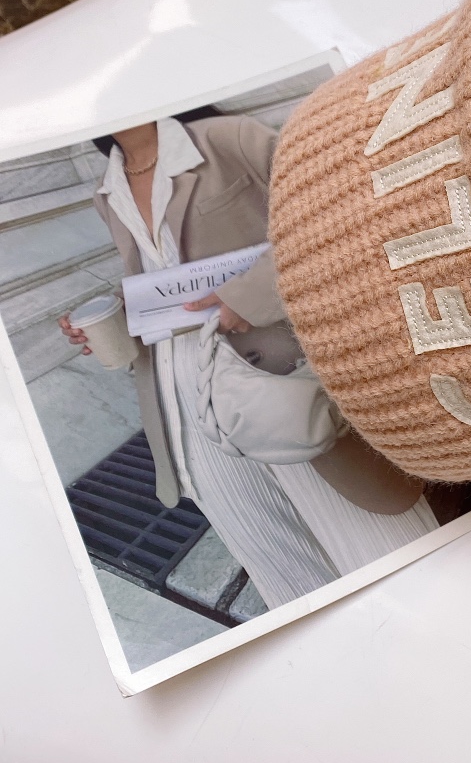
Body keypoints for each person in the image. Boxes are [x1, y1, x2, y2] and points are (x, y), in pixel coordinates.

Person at [60, 109, 438, 609]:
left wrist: (251, 294)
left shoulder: (227, 138)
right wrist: (123, 313)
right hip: (185, 416)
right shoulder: (108, 190)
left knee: (389, 557)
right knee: (287, 580)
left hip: (277, 381)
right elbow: (166, 273)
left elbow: (339, 213)